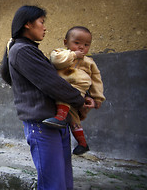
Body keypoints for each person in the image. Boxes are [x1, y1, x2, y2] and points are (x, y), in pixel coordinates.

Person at [0, 5, 95, 190]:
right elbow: (51, 83)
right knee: (53, 184)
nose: (45, 27)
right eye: (41, 22)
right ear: (28, 24)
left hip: (55, 123)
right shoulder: (21, 50)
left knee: (64, 181)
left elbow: (59, 79)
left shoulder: (29, 50)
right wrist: (80, 101)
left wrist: (85, 95)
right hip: (41, 125)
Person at [42, 26, 106, 155]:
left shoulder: (89, 62)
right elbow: (56, 62)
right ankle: (83, 143)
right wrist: (73, 54)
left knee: (66, 95)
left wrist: (98, 98)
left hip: (78, 85)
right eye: (77, 43)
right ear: (66, 42)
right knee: (73, 118)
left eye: (86, 45)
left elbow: (96, 80)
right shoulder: (59, 52)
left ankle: (60, 117)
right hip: (63, 85)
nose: (82, 47)